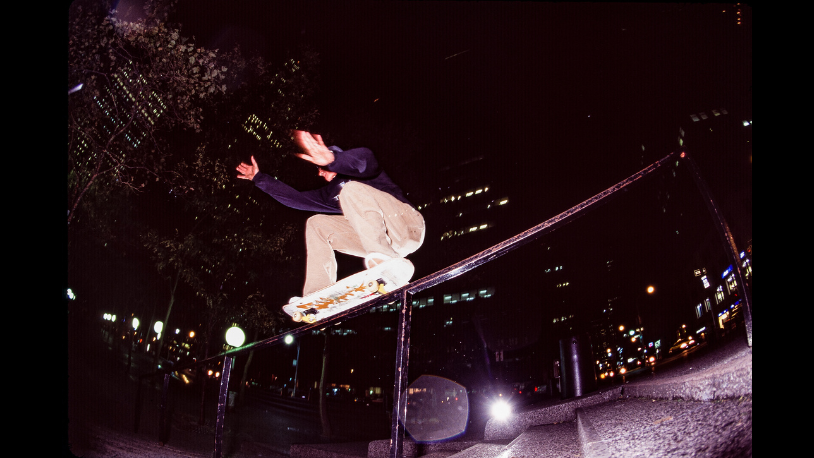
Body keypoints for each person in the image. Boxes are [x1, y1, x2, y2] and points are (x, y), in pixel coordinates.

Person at [236, 130, 425, 298]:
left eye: (320, 168)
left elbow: (364, 158)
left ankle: (385, 262)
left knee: (350, 189)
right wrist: (259, 179)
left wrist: (333, 159)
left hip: (406, 226)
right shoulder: (328, 195)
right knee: (316, 223)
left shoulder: (364, 171)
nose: (319, 173)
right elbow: (296, 199)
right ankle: (319, 292)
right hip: (386, 242)